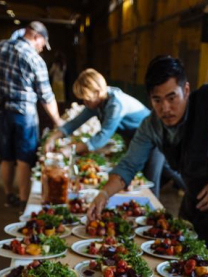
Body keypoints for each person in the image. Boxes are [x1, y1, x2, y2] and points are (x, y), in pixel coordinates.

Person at [87, 56, 208, 277]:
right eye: (157, 100)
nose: (165, 108)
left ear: (186, 90)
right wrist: (104, 194)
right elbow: (128, 166)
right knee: (184, 263)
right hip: (194, 197)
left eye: (172, 98)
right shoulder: (151, 125)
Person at [44, 68, 165, 197]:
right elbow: (75, 123)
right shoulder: (97, 102)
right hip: (136, 139)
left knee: (149, 184)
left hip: (154, 138)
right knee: (154, 176)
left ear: (97, 92)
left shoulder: (116, 104)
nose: (85, 103)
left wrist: (71, 149)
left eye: (87, 99)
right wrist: (52, 137)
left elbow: (103, 137)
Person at [0, 21, 64, 211]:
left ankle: (8, 195)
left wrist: (4, 93)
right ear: (36, 36)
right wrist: (59, 122)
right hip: (24, 114)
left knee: (6, 156)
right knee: (24, 159)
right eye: (42, 44)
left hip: (2, 111)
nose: (42, 48)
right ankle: (22, 200)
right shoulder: (33, 58)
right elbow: (46, 96)